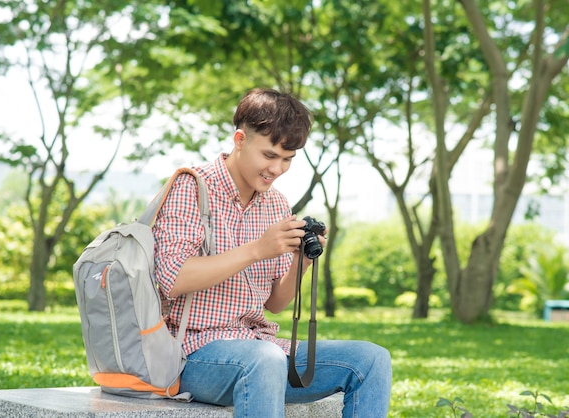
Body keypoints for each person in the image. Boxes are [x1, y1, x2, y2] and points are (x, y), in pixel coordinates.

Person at [152, 88, 392, 418]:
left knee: (371, 359)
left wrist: (302, 260)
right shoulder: (192, 187)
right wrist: (256, 250)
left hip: (263, 347)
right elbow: (172, 278)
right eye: (269, 156)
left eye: (288, 159)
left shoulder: (277, 203)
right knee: (264, 359)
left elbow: (275, 303)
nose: (277, 169)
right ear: (240, 139)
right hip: (192, 354)